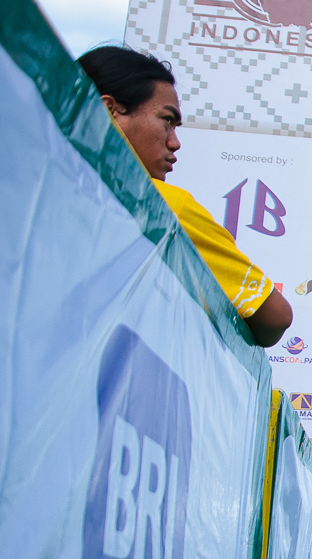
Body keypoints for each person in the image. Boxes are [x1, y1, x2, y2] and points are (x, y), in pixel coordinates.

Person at [75, 47, 292, 346]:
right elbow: (275, 317)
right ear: (108, 111)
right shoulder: (158, 204)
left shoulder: (36, 182)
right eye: (167, 120)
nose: (174, 143)